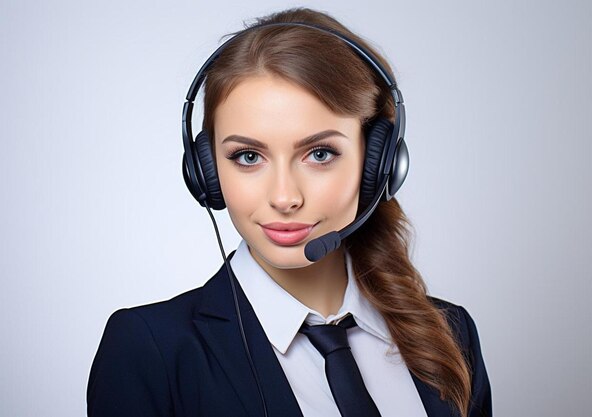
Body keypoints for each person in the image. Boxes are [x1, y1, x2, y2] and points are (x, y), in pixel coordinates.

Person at [87, 7, 491, 417]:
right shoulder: (150, 350)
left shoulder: (450, 333)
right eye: (247, 156)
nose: (284, 197)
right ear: (205, 170)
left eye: (319, 154)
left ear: (379, 162)